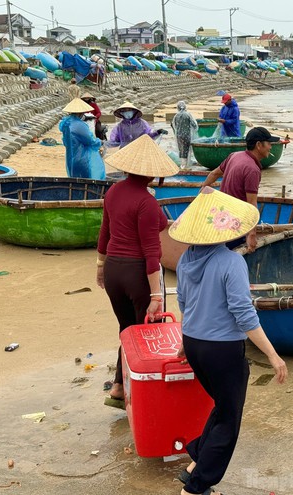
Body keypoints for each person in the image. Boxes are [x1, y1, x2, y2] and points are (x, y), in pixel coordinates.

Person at [169, 187, 288, 495]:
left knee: (223, 407)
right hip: (222, 350)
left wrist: (185, 339)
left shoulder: (185, 259)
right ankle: (197, 487)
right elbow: (244, 316)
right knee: (229, 419)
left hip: (195, 344)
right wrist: (273, 356)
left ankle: (196, 459)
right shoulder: (230, 262)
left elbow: (185, 302)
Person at [96, 135, 180, 402]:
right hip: (136, 274)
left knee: (126, 328)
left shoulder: (114, 192)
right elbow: (151, 251)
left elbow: (105, 231)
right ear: (154, 174)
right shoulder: (147, 202)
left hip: (112, 270)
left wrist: (100, 266)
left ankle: (120, 385)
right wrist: (156, 295)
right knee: (145, 333)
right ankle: (131, 387)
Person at [200, 127, 280, 252]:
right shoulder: (252, 170)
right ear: (259, 145)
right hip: (235, 224)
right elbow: (251, 205)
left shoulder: (234, 156)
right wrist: (252, 234)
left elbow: (214, 174)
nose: (270, 147)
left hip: (221, 218)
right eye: (269, 144)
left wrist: (203, 189)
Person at [58, 98, 105, 180]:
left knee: (74, 181)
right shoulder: (79, 125)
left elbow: (65, 142)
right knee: (86, 181)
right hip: (82, 159)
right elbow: (90, 141)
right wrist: (99, 142)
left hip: (70, 158)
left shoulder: (66, 124)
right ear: (81, 112)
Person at [171, 100, 199, 168]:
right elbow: (194, 125)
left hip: (179, 136)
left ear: (178, 107)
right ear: (185, 107)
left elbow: (173, 125)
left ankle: (182, 165)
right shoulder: (188, 115)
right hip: (187, 135)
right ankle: (186, 165)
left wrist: (177, 132)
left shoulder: (176, 116)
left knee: (181, 150)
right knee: (186, 150)